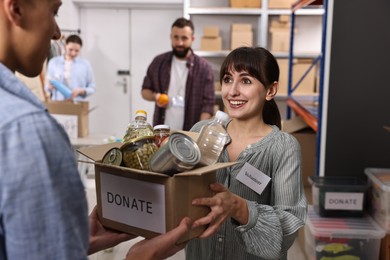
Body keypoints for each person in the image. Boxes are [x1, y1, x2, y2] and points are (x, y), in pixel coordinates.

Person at [0, 0, 192, 259]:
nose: (57, 32)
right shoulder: (27, 130)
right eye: (54, 11)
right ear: (16, 9)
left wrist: (78, 242)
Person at [186, 47, 307, 260]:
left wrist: (239, 208)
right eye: (227, 79)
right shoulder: (200, 132)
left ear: (270, 91)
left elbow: (288, 229)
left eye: (246, 81)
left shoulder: (283, 147)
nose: (232, 91)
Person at [141, 17, 215, 131]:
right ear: (171, 37)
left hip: (190, 132)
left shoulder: (204, 68)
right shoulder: (158, 62)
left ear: (192, 38)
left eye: (184, 38)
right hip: (162, 131)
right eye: (176, 37)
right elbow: (145, 91)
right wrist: (156, 97)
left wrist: (197, 131)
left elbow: (208, 106)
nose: (179, 43)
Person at [45, 34, 96, 101]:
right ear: (65, 45)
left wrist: (82, 90)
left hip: (78, 105)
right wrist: (49, 87)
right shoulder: (53, 62)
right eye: (70, 49)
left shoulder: (85, 65)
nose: (73, 53)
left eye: (77, 50)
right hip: (58, 105)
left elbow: (92, 87)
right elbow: (46, 86)